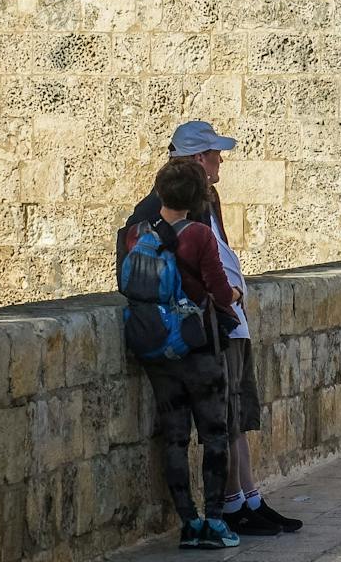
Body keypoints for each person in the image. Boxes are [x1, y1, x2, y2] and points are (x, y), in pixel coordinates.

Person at [123, 121, 305, 536]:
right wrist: (230, 300)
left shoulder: (186, 207)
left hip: (196, 331)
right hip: (206, 330)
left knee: (220, 421)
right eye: (215, 154)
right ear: (198, 159)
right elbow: (210, 279)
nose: (221, 160)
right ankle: (226, 510)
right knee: (219, 425)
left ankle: (241, 501)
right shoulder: (177, 217)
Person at [135, 158, 243, 550]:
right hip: (199, 347)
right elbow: (218, 289)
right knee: (214, 434)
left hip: (158, 350)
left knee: (175, 438)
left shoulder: (138, 233)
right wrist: (235, 297)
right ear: (198, 198)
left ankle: (188, 523)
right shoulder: (198, 236)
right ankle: (214, 521)